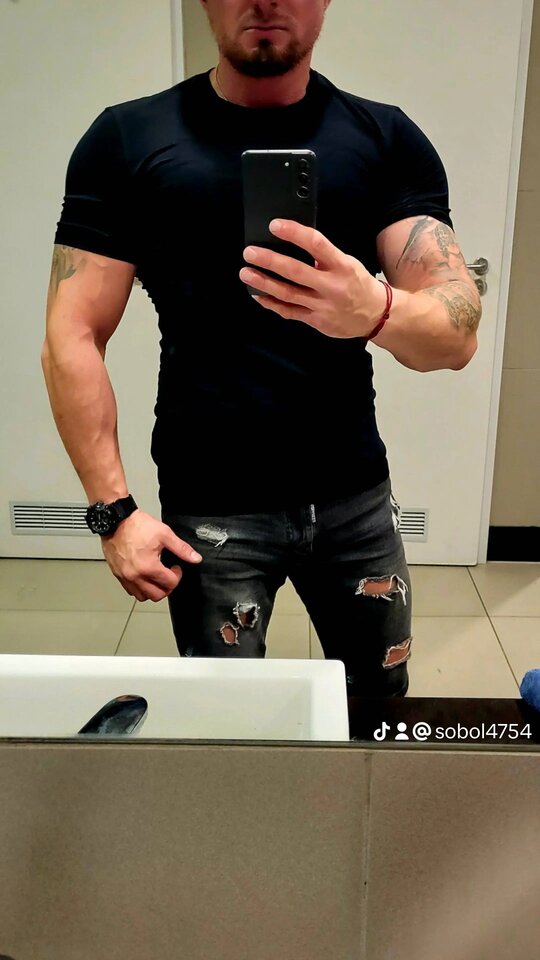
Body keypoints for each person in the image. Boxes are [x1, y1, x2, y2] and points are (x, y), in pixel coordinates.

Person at [42, 0, 481, 698]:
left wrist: (373, 310)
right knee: (228, 724)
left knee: (377, 707)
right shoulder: (127, 139)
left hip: (354, 498)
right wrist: (113, 511)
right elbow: (72, 333)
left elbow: (456, 334)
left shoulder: (385, 138)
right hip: (210, 506)